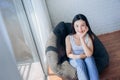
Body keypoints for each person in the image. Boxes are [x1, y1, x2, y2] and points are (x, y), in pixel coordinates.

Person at [65, 14, 99, 80]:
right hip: (74, 58)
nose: (80, 29)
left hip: (87, 56)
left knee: (90, 60)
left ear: (86, 25)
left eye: (82, 25)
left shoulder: (89, 37)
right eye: (77, 26)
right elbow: (69, 54)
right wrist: (80, 56)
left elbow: (89, 54)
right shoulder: (68, 38)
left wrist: (81, 38)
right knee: (80, 62)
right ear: (73, 26)